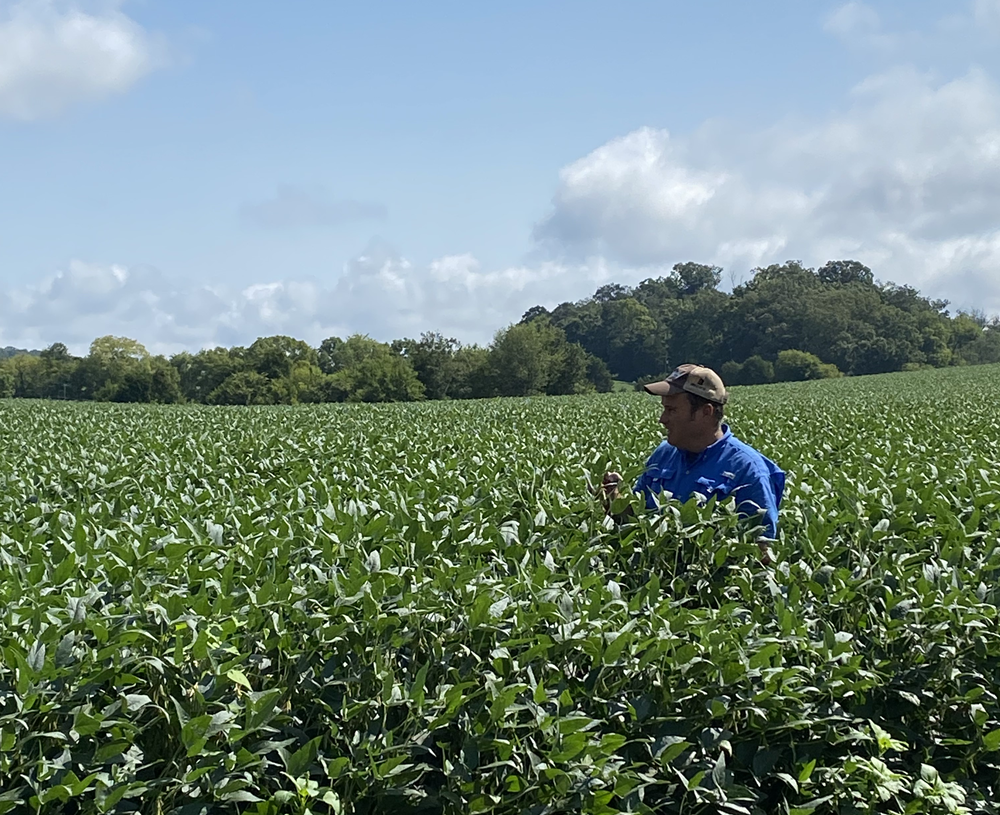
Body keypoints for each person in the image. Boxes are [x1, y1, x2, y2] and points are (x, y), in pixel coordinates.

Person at [602, 364, 785, 554]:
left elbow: (762, 551)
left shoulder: (748, 469)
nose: (662, 419)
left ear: (706, 412)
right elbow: (637, 525)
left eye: (671, 410)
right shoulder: (664, 454)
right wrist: (614, 498)